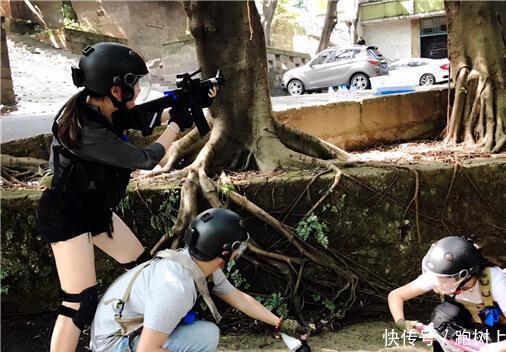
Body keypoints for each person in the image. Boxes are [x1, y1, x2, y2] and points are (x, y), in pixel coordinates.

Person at [37, 42, 217, 352]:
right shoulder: (87, 131)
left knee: (143, 267)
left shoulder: (96, 105)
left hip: (94, 210)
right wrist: (175, 124)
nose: (136, 91)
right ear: (115, 88)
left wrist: (187, 100)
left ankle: (138, 337)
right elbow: (149, 159)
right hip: (66, 215)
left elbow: (142, 116)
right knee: (79, 302)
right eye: (132, 83)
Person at [90, 208, 309, 352]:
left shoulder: (199, 263)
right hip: (113, 344)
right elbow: (147, 350)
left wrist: (281, 324)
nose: (241, 251)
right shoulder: (176, 288)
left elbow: (237, 297)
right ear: (224, 252)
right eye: (238, 247)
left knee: (207, 335)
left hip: (129, 330)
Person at [388, 236, 506, 352]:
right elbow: (396, 296)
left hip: (493, 330)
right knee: (442, 318)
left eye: (442, 279)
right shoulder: (440, 275)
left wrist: (493, 349)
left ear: (464, 276)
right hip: (463, 325)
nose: (435, 282)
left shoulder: (496, 281)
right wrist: (401, 322)